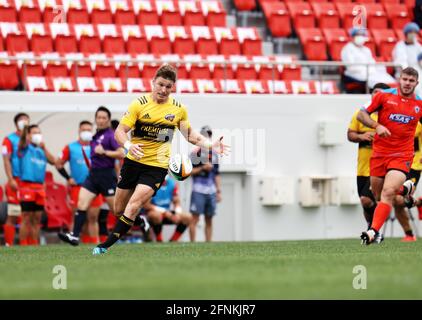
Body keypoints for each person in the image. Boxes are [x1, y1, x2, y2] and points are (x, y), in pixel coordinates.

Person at [92, 64, 229, 255]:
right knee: (119, 209)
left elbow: (190, 135)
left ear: (173, 87)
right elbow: (119, 132)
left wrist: (210, 144)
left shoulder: (178, 109)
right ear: (153, 83)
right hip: (133, 161)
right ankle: (140, 221)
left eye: (168, 86)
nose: (164, 90)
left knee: (133, 205)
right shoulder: (138, 104)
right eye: (161, 85)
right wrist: (129, 146)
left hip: (156, 166)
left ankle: (104, 246)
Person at [357, 67, 422, 244]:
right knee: (379, 197)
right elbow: (362, 115)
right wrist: (376, 126)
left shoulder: (419, 104)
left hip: (402, 155)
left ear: (416, 83)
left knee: (388, 192)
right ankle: (405, 190)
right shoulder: (384, 96)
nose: (407, 83)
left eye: (411, 81)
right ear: (399, 79)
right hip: (379, 154)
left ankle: (372, 232)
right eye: (405, 79)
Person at [58, 106, 125, 246]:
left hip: (106, 176)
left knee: (117, 211)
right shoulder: (96, 136)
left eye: (104, 118)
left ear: (108, 120)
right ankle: (75, 236)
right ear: (96, 119)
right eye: (98, 117)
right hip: (93, 176)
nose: (101, 120)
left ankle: (139, 220)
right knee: (81, 204)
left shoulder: (111, 135)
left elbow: (121, 153)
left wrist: (105, 152)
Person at [347, 83, 390, 240]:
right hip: (362, 167)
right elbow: (350, 134)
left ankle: (374, 230)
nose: (376, 95)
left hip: (380, 166)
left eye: (380, 92)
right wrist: (361, 136)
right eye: (374, 92)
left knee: (369, 199)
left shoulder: (388, 115)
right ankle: (372, 229)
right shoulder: (361, 113)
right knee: (365, 202)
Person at [55, 120, 104, 244]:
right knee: (77, 218)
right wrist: (67, 178)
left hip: (95, 186)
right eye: (84, 130)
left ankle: (93, 244)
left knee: (92, 218)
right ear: (79, 131)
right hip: (78, 187)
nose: (86, 132)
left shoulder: (97, 146)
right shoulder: (71, 147)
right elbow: (58, 163)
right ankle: (74, 243)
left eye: (89, 130)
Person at [18, 124, 56, 245]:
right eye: (34, 133)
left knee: (37, 218)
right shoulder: (25, 148)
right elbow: (22, 141)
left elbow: (54, 161)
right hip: (26, 186)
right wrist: (25, 128)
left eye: (39, 133)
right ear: (28, 135)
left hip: (40, 188)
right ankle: (23, 245)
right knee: (26, 217)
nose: (37, 135)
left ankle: (34, 244)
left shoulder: (41, 150)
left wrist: (44, 148)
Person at [189, 125, 222, 242]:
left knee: (209, 218)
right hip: (198, 190)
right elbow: (188, 172)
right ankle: (192, 244)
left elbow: (217, 174)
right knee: (194, 219)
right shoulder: (194, 154)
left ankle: (208, 243)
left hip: (211, 190)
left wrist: (218, 191)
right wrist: (202, 168)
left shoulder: (214, 154)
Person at [1, 113, 30, 246]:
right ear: (16, 123)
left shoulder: (31, 139)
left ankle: (26, 245)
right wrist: (10, 178)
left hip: (29, 182)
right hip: (16, 180)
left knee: (28, 215)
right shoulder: (9, 139)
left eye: (26, 120)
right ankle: (9, 244)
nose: (24, 122)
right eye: (21, 120)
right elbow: (6, 160)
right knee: (13, 213)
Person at [341, 27, 395, 93]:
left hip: (370, 72)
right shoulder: (347, 49)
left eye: (362, 35)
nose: (360, 37)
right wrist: (367, 69)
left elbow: (372, 62)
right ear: (352, 36)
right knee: (378, 82)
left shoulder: (366, 49)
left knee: (388, 79)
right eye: (358, 34)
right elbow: (351, 67)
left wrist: (377, 69)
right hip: (355, 74)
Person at [144, 174, 192, 242]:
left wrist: (177, 213)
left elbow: (176, 202)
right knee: (156, 216)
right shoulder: (151, 185)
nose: (163, 183)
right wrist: (164, 212)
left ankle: (173, 241)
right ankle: (159, 240)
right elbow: (146, 205)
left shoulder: (172, 183)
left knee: (187, 217)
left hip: (167, 212)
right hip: (154, 212)